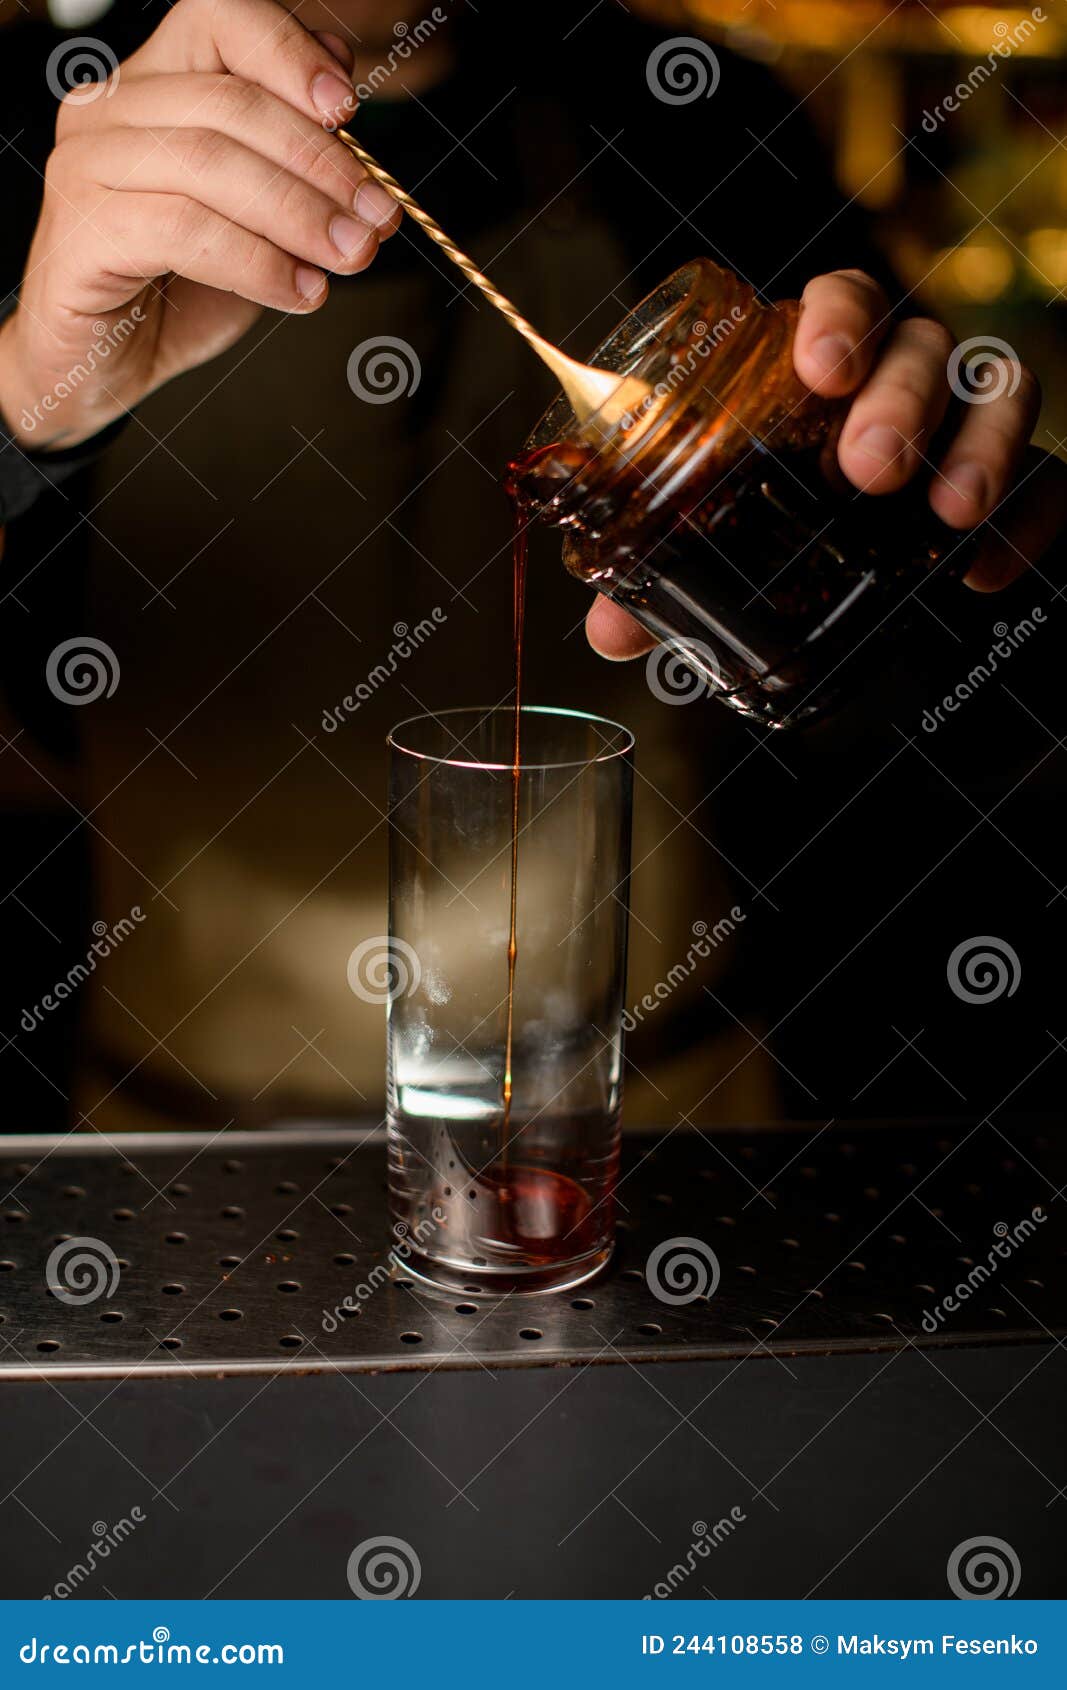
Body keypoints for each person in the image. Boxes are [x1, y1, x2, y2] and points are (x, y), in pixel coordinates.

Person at [1, 0, 1064, 1130]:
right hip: (176, 1146)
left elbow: (920, 697)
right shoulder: (44, 122)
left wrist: (947, 527)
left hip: (651, 1129)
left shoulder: (684, 108)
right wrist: (24, 402)